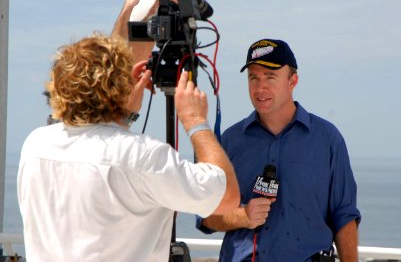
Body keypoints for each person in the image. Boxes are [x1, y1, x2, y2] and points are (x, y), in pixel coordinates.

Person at [17, 32, 240, 261]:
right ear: (118, 88)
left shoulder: (36, 145)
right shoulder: (142, 156)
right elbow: (228, 198)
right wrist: (195, 121)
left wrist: (125, 103)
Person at [197, 38, 361, 262]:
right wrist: (242, 217)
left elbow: (344, 216)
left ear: (293, 80)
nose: (260, 87)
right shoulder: (230, 141)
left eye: (270, 77)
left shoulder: (328, 139)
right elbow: (206, 216)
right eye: (253, 77)